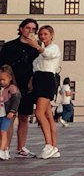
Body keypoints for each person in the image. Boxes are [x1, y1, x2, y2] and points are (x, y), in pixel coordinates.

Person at [0, 18, 42, 157]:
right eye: (28, 28)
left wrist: (32, 80)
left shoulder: (36, 48)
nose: (30, 31)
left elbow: (38, 67)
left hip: (27, 86)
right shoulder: (9, 46)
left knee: (24, 116)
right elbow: (3, 66)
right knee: (9, 116)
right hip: (11, 86)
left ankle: (21, 147)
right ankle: (4, 147)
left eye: (33, 29)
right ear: (21, 29)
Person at [28, 25, 61, 158]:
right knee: (47, 114)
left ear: (51, 35)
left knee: (39, 112)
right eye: (41, 34)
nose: (42, 36)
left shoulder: (53, 47)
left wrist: (36, 45)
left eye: (45, 34)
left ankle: (48, 145)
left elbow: (48, 55)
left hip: (47, 79)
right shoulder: (40, 52)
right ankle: (53, 145)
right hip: (38, 79)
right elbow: (35, 66)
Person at [0, 64, 22, 160]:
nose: (2, 82)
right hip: (1, 113)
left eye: (4, 79)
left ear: (10, 78)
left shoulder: (13, 89)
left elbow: (16, 100)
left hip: (6, 113)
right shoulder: (1, 88)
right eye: (0, 79)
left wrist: (13, 111)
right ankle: (5, 150)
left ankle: (2, 150)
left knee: (3, 131)